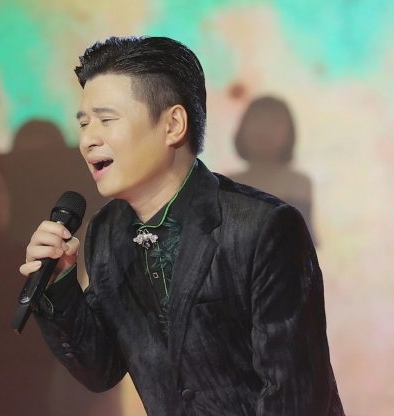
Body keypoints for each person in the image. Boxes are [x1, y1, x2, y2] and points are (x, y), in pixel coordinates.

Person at [20, 36, 344, 415]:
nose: (88, 139)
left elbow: (293, 394)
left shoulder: (263, 227)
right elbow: (101, 369)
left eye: (106, 120)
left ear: (173, 125)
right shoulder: (106, 232)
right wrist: (58, 283)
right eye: (84, 123)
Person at [229, 96, 318, 244]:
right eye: (258, 120)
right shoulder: (227, 184)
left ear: (289, 132)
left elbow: (302, 245)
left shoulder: (299, 183)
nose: (264, 129)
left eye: (274, 122)